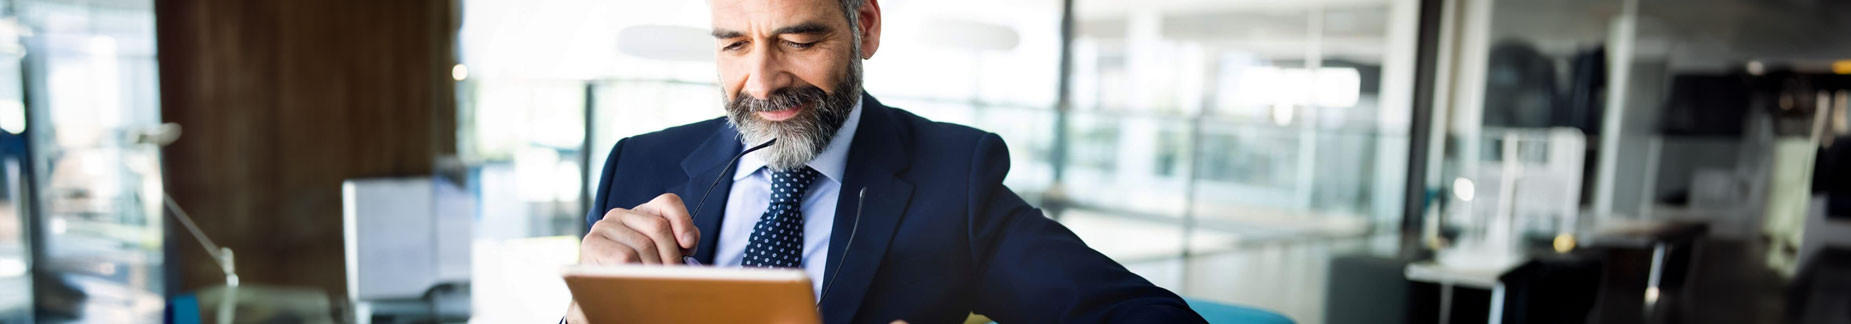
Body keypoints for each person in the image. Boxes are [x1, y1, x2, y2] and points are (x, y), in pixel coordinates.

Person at [567, 0, 1205, 322]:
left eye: (799, 38)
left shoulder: (952, 178)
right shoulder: (638, 165)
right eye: (735, 45)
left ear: (865, 26)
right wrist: (580, 315)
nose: (761, 82)